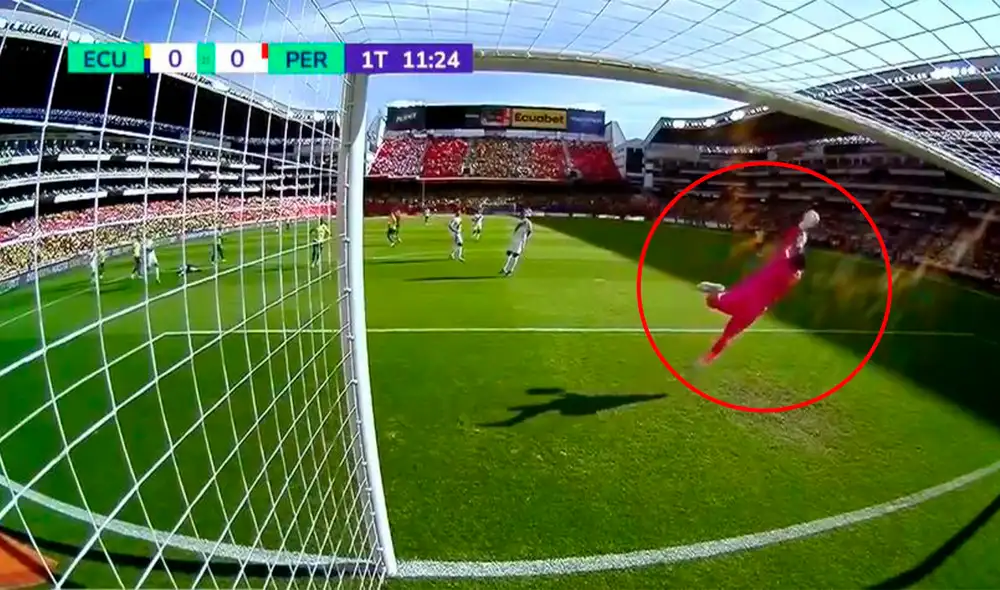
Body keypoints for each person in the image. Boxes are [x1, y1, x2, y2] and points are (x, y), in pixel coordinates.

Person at [696, 210, 820, 366]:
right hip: (755, 309)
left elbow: (789, 243)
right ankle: (707, 359)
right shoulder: (795, 277)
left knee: (711, 301)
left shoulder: (782, 261)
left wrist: (801, 229)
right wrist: (801, 243)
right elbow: (797, 260)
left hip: (744, 296)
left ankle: (718, 291)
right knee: (728, 335)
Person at [500, 209, 533, 276]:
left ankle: (510, 270)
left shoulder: (527, 222)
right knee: (509, 253)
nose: (521, 214)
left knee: (515, 255)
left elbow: (530, 231)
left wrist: (525, 240)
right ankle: (505, 268)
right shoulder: (521, 221)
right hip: (515, 240)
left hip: (520, 241)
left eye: (522, 213)